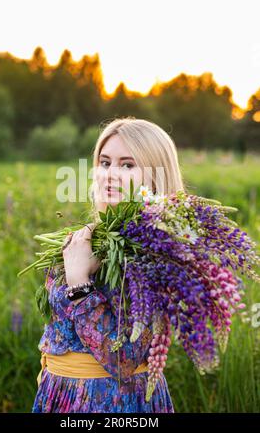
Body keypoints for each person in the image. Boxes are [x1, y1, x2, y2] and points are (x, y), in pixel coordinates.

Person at [32, 117, 185, 413]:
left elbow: (124, 359)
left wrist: (79, 282)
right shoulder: (85, 239)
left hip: (115, 403)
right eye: (104, 163)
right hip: (60, 396)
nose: (110, 175)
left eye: (127, 165)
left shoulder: (157, 254)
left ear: (155, 177)